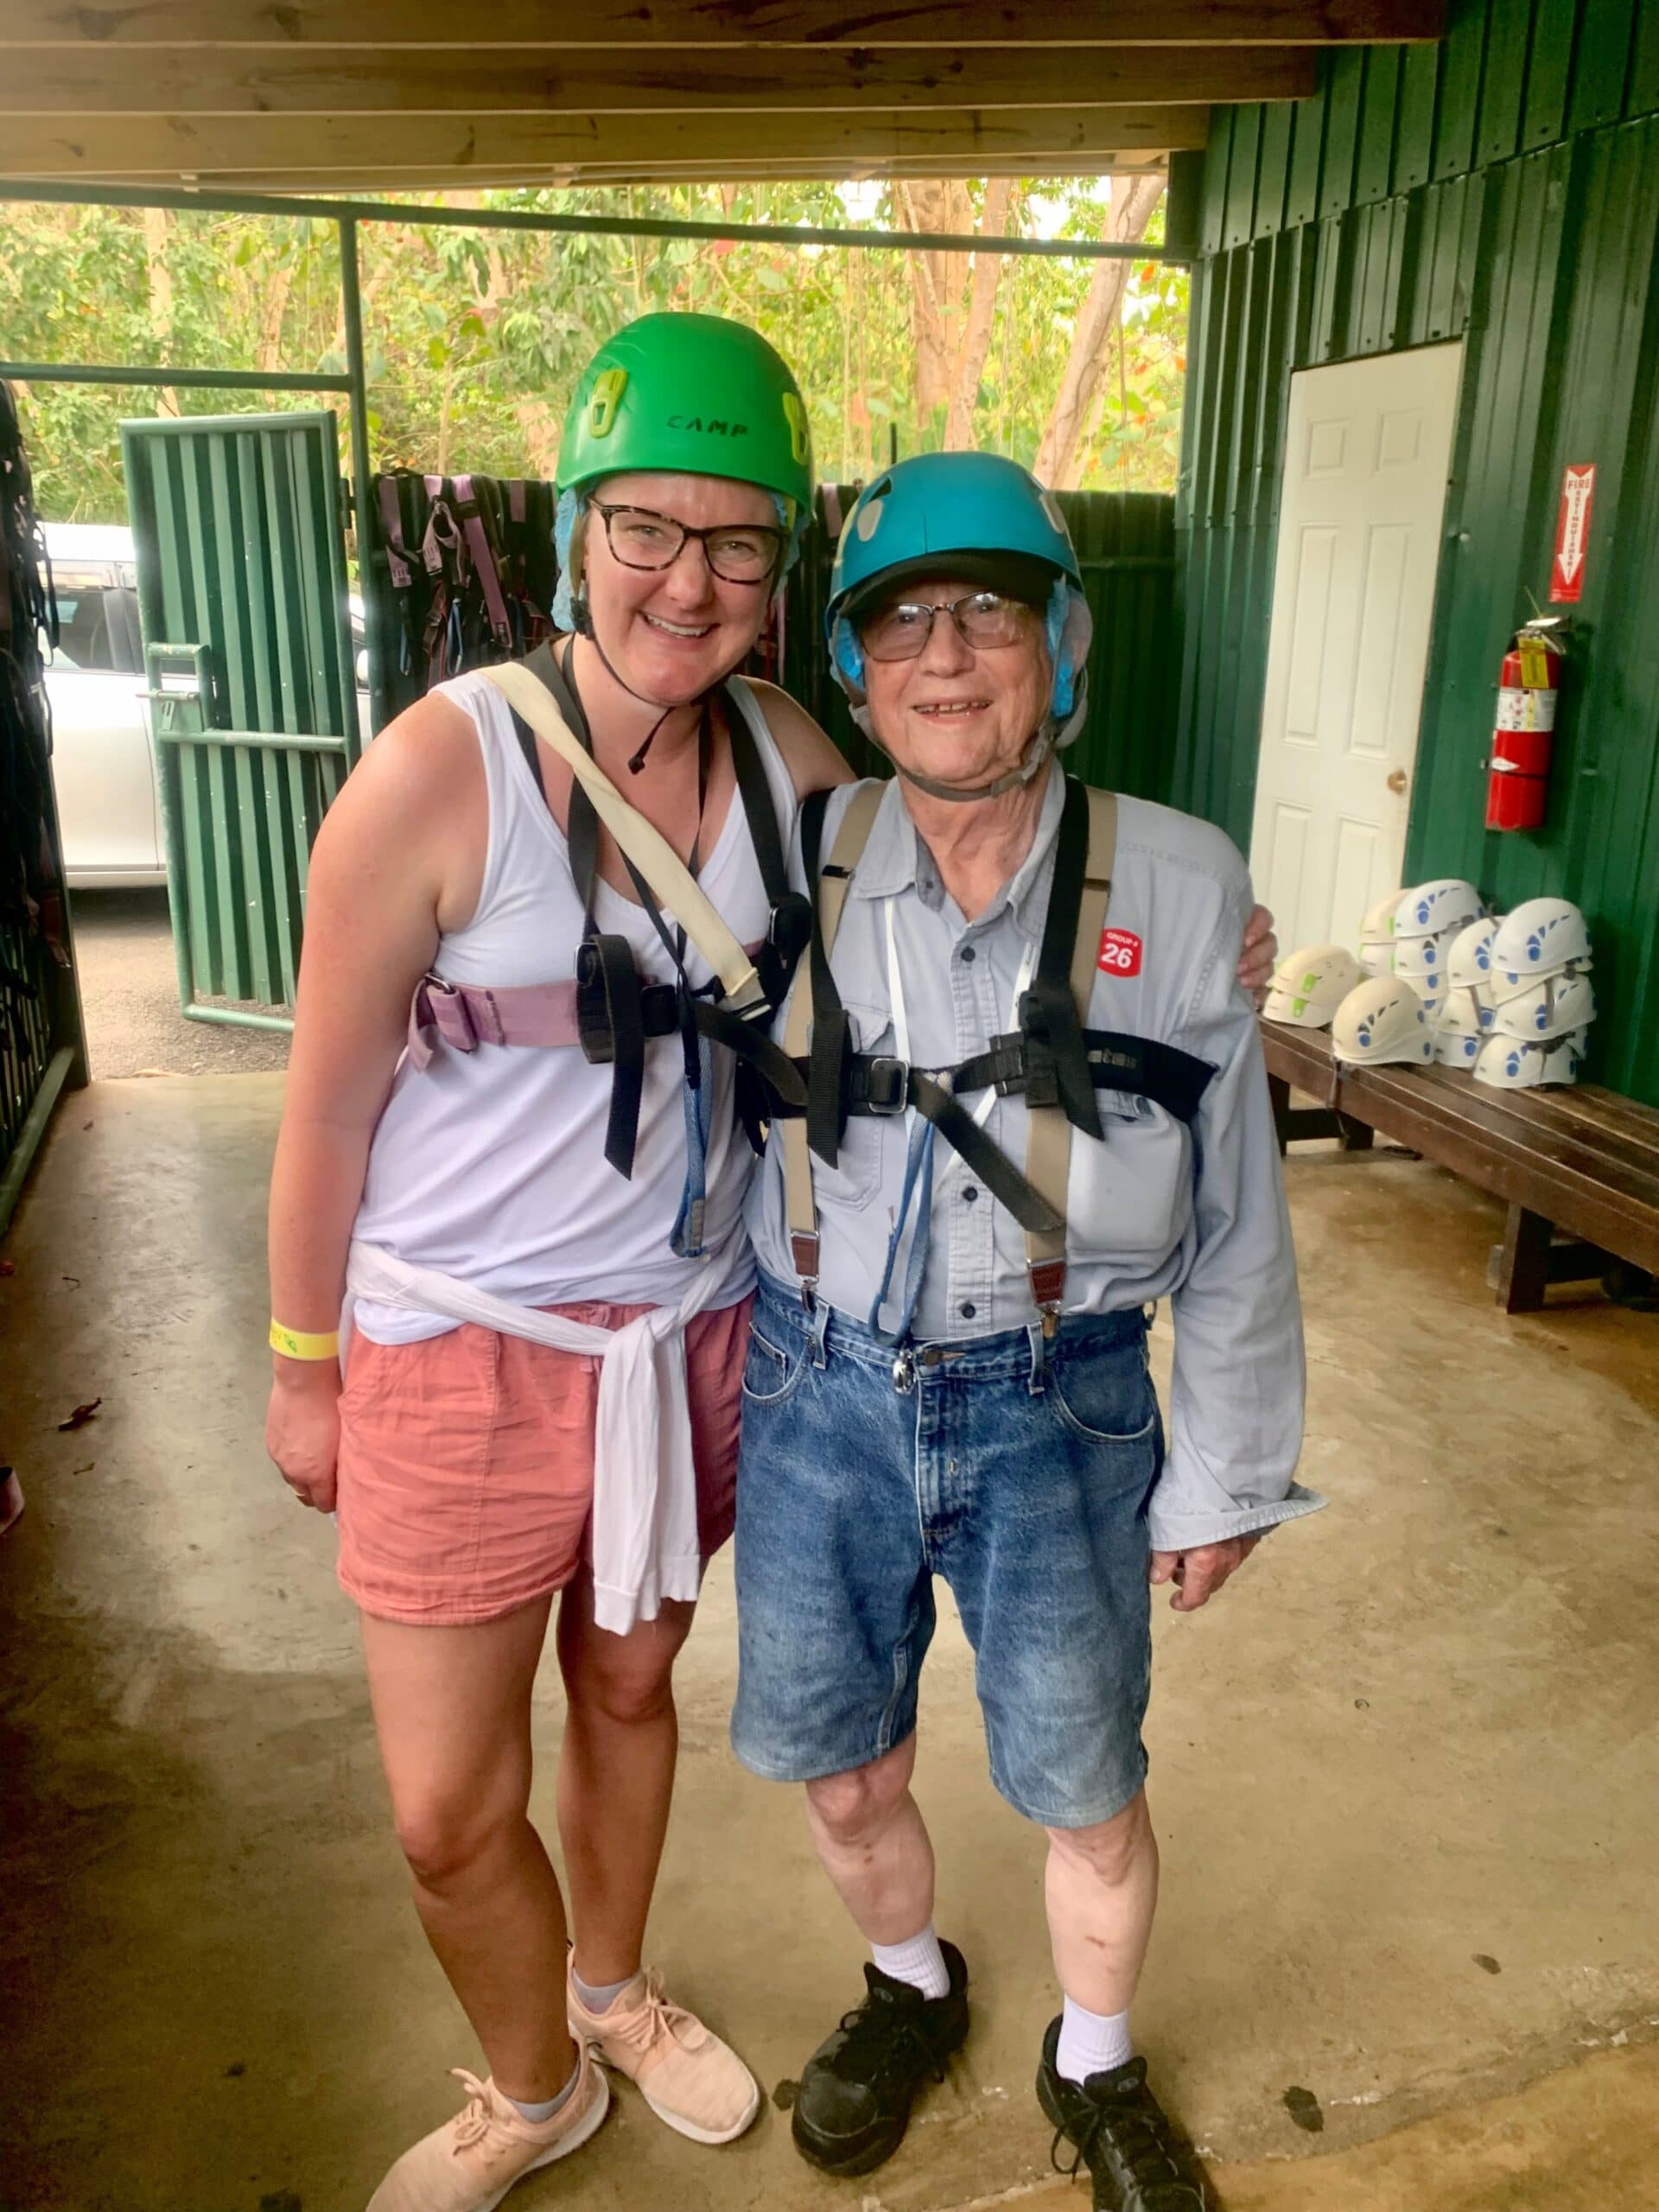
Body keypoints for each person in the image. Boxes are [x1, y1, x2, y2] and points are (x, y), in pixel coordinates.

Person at [264, 312, 849, 2212]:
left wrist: (1184, 930)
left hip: (684, 1343)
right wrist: (301, 1359)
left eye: (736, 539)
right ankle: (531, 2089)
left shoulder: (782, 756)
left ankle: (610, 1993)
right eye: (649, 528)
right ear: (576, 527)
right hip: (458, 1343)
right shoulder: (442, 776)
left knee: (624, 1692)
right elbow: (327, 1112)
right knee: (447, 1810)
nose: (690, 576)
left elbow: (951, 908)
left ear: (782, 558)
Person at [731, 452, 1322, 2209]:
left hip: (1058, 1406)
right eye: (902, 616)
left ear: (1065, 642)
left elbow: (1239, 1221)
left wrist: (1229, 1471)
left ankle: (1097, 2057)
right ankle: (910, 1985)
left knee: (1087, 1785)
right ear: (854, 668)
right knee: (845, 1771)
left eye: (990, 609)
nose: (945, 652)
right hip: (817, 1389)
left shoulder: (1189, 881)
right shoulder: (790, 855)